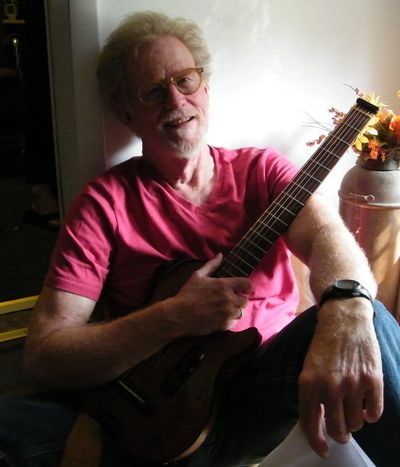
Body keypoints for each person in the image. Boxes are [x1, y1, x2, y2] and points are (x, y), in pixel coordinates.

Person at [1, 10, 399, 467]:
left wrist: (348, 304)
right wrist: (173, 317)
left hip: (259, 390)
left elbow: (327, 235)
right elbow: (45, 355)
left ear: (205, 87)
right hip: (156, 411)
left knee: (370, 320)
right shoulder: (104, 202)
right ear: (126, 112)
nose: (175, 99)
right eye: (153, 91)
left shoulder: (261, 170)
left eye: (185, 80)